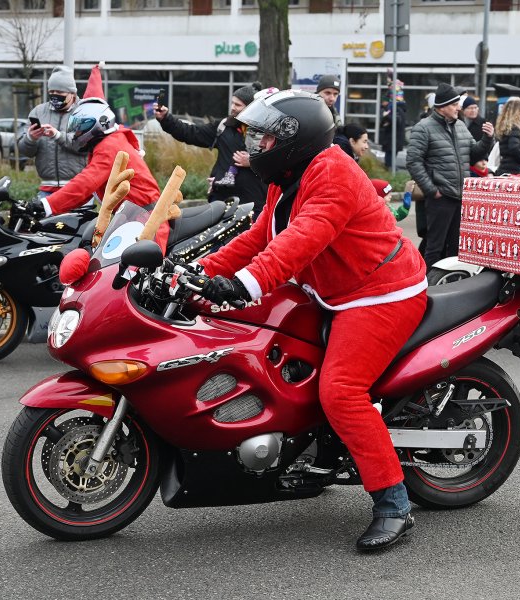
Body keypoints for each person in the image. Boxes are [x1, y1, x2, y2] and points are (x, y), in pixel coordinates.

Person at [193, 90, 428, 552]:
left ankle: (393, 504)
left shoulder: (334, 173)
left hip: (378, 293)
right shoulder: (288, 176)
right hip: (330, 287)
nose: (255, 146)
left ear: (292, 141)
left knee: (340, 390)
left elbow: (302, 240)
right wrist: (196, 271)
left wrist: (245, 284)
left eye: (262, 139)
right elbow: (262, 235)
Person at [28, 67, 164, 248]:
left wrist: (46, 205)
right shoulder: (109, 141)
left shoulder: (110, 146)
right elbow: (90, 187)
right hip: (132, 215)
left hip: (143, 220)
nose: (77, 132)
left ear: (98, 122)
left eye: (81, 125)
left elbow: (86, 182)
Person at [406, 82, 494, 269]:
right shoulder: (424, 128)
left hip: (459, 196)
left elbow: (474, 154)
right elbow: (413, 162)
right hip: (440, 198)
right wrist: (432, 190)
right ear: (442, 107)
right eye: (455, 104)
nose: (458, 108)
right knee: (434, 247)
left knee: (456, 248)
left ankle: (451, 284)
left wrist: (487, 139)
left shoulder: (460, 126)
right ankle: (427, 287)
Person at [155, 81, 265, 218]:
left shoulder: (265, 131)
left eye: (237, 105)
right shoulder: (223, 126)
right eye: (232, 103)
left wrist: (252, 161)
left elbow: (277, 160)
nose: (232, 108)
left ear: (251, 107)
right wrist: (166, 119)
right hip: (221, 199)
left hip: (254, 201)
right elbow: (192, 133)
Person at [17, 65, 87, 200]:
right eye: (52, 92)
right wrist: (30, 139)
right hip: (46, 189)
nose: (55, 96)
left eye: (60, 93)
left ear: (72, 93)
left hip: (78, 188)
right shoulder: (38, 112)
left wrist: (57, 135)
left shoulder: (83, 112)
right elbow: (25, 151)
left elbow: (84, 145)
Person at [493, 97, 520, 176]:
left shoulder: (505, 126)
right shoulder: (515, 127)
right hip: (514, 170)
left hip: (505, 167)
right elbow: (514, 147)